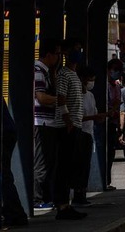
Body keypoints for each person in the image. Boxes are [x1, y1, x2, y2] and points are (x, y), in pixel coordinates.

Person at [52, 40, 87, 220]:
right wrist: (67, 121)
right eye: (75, 50)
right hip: (67, 126)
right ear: (66, 53)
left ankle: (66, 203)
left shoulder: (74, 74)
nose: (78, 53)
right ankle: (62, 206)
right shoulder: (64, 74)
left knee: (72, 166)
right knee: (64, 167)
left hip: (75, 125)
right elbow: (60, 98)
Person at [33, 38, 60, 210]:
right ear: (49, 54)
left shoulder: (48, 72)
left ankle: (45, 197)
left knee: (48, 162)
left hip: (48, 123)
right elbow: (41, 98)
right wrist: (60, 101)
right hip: (41, 122)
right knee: (41, 163)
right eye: (57, 54)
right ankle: (37, 199)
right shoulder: (38, 71)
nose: (59, 57)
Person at [74, 65, 105, 205]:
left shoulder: (90, 96)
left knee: (85, 165)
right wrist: (94, 117)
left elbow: (94, 113)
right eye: (90, 79)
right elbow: (77, 117)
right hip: (79, 132)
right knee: (78, 165)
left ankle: (82, 193)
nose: (92, 82)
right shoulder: (76, 95)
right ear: (82, 79)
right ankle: (77, 194)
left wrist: (100, 117)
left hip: (88, 132)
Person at [2, 99, 28, 227]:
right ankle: (14, 213)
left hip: (3, 133)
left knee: (4, 176)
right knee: (4, 174)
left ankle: (15, 214)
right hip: (7, 132)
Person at [106, 58, 123, 191]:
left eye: (118, 71)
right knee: (105, 152)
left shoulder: (117, 85)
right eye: (114, 70)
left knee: (111, 152)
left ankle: (107, 181)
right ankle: (103, 180)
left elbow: (118, 102)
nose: (116, 73)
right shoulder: (104, 85)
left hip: (113, 123)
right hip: (104, 122)